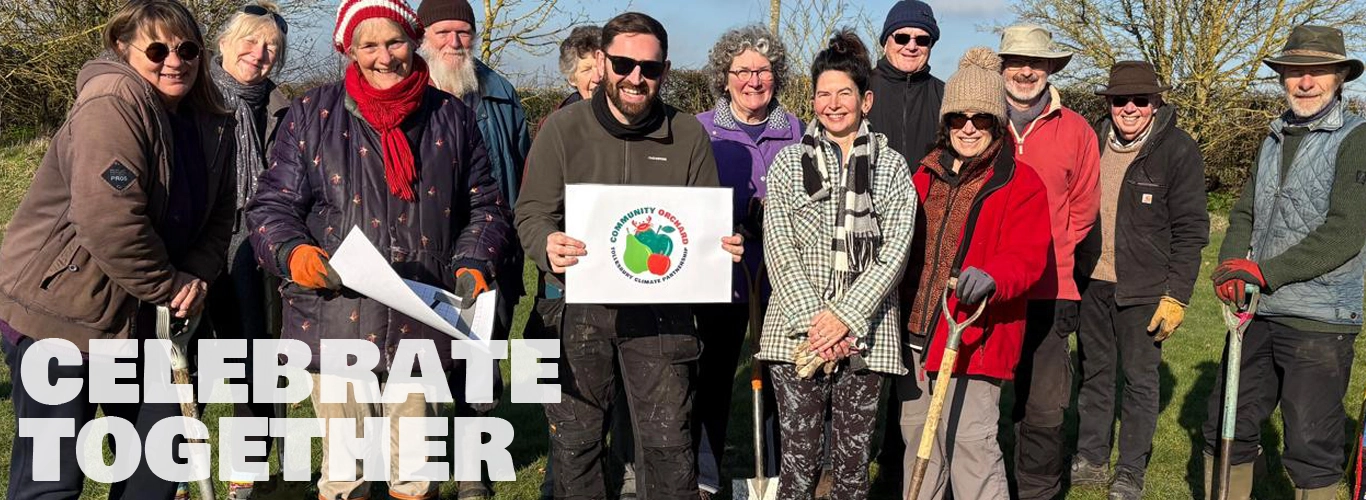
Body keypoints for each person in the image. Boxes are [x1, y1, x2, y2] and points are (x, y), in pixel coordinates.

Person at [245, 0, 513, 498]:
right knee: (346, 472)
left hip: (423, 315)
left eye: (393, 42)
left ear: (413, 42)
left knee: (415, 471)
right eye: (369, 44)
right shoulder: (311, 113)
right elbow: (271, 207)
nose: (384, 57)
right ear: (349, 49)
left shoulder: (451, 116)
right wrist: (293, 254)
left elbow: (486, 205)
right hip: (336, 315)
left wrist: (475, 260)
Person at [0, 1, 236, 499]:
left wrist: (195, 274)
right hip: (65, 317)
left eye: (187, 48)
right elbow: (109, 220)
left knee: (156, 468)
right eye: (156, 49)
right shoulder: (113, 101)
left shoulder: (212, 119)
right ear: (122, 48)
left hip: (151, 321)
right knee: (52, 479)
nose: (175, 60)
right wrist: (169, 285)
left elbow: (221, 217)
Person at [515, 12, 745, 499]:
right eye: (623, 63)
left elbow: (706, 221)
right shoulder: (562, 128)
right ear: (601, 62)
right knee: (577, 444)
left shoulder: (686, 135)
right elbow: (531, 212)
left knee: (667, 443)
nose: (636, 77)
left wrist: (723, 243)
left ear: (664, 69)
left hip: (663, 315)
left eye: (651, 67)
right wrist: (545, 243)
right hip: (576, 308)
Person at [1204, 24, 1366, 500]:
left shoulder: (1357, 138)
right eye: (1295, 71)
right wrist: (1232, 263)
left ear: (1339, 78)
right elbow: (1245, 212)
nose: (1305, 82)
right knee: (1225, 424)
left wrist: (1265, 272)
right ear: (1282, 78)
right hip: (1256, 311)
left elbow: (1346, 231)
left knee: (1311, 446)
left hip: (1320, 318)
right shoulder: (1273, 136)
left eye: (1317, 72)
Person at [756, 30, 916, 499]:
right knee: (798, 463)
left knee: (852, 466)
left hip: (867, 335)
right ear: (812, 101)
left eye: (843, 93)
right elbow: (779, 248)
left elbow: (895, 250)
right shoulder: (788, 165)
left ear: (865, 101)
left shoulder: (891, 166)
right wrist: (816, 323)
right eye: (823, 94)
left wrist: (845, 318)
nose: (833, 103)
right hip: (795, 335)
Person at [898, 46, 1052, 500]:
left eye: (981, 118)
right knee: (918, 443)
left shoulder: (1019, 182)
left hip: (973, 334)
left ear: (997, 122)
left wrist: (993, 275)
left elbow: (1028, 256)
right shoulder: (924, 174)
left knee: (970, 446)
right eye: (958, 118)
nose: (968, 128)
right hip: (915, 332)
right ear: (945, 123)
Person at [1069, 61, 1209, 500]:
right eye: (1120, 100)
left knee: (1140, 381)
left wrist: (1177, 295)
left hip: (1145, 290)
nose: (1129, 108)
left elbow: (1191, 230)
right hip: (1091, 281)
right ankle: (1091, 459)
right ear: (1108, 104)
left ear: (1156, 103)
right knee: (1094, 375)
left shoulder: (1178, 150)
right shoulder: (1090, 143)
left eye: (1140, 100)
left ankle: (1130, 470)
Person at [414, 1, 529, 496]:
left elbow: (522, 173)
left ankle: (473, 471)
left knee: (480, 365)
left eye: (463, 32)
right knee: (416, 367)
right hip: (422, 252)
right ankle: (420, 465)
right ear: (423, 36)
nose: (454, 42)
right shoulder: (406, 90)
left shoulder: (502, 93)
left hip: (489, 252)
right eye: (443, 32)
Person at [693, 23, 803, 498]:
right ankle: (705, 473)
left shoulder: (796, 130)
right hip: (720, 272)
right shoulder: (699, 130)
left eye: (763, 70)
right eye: (742, 70)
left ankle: (778, 471)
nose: (753, 80)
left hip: (781, 273)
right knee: (713, 374)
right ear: (725, 76)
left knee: (783, 375)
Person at [995, 24, 1100, 500]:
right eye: (1016, 60)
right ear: (1002, 66)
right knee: (979, 404)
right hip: (986, 291)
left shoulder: (1076, 130)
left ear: (1050, 69)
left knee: (1043, 409)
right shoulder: (976, 123)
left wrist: (1046, 249)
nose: (1025, 70)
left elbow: (1083, 209)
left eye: (1035, 62)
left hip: (1051, 289)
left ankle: (1037, 491)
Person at [203, 3, 291, 498]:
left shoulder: (282, 106)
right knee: (185, 364)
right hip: (194, 245)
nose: (259, 54)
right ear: (224, 43)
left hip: (253, 248)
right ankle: (169, 473)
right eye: (251, 41)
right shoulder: (191, 95)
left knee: (252, 363)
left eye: (271, 47)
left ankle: (247, 472)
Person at [868, 0, 945, 471]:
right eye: (903, 37)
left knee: (911, 363)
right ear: (886, 41)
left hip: (924, 246)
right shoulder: (863, 90)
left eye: (922, 39)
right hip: (864, 244)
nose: (912, 46)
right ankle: (850, 455)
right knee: (863, 356)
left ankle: (898, 461)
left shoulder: (944, 96)